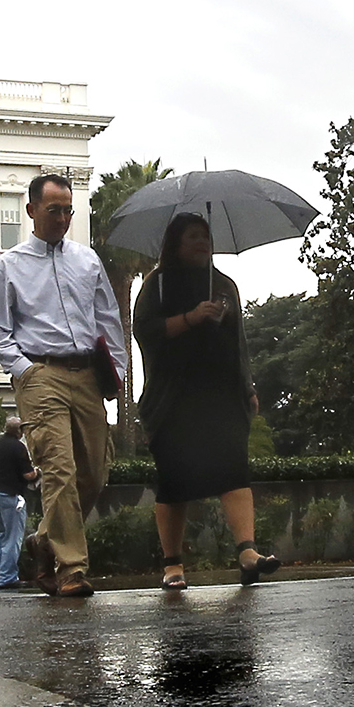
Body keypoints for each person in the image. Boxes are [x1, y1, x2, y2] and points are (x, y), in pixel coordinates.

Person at [0, 173, 125, 598]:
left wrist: (113, 370)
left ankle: (44, 540)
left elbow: (107, 319)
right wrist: (25, 370)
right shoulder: (8, 267)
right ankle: (71, 569)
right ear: (31, 211)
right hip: (40, 374)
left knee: (94, 472)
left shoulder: (87, 260)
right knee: (58, 470)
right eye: (53, 210)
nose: (62, 218)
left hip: (87, 375)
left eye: (68, 210)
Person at [133, 213, 281, 590]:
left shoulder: (224, 286)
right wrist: (191, 317)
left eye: (206, 236)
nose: (202, 243)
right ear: (176, 243)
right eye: (194, 236)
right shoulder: (158, 285)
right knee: (173, 481)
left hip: (221, 396)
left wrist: (247, 386)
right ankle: (172, 566)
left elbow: (238, 343)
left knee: (234, 470)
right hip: (174, 400)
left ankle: (248, 553)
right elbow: (146, 331)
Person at [0, 416, 38, 590]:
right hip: (10, 495)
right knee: (14, 536)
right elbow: (28, 475)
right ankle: (7, 578)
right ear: (19, 431)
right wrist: (38, 471)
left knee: (3, 532)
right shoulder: (18, 447)